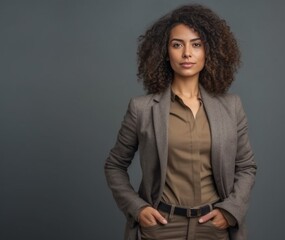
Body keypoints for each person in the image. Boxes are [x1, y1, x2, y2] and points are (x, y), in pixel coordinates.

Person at [104, 4, 257, 240]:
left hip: (214, 228)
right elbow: (115, 165)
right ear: (165, 52)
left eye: (196, 44)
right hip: (161, 228)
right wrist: (137, 207)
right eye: (177, 44)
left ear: (209, 51)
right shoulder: (142, 109)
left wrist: (231, 211)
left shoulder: (231, 106)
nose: (187, 53)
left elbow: (246, 166)